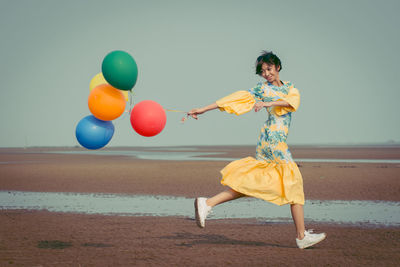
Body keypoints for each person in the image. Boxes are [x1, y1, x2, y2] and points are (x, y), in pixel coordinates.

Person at [188, 51, 326, 249]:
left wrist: (268, 103)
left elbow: (291, 102)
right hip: (272, 140)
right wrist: (203, 109)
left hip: (274, 139)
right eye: (262, 72)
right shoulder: (261, 90)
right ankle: (301, 236)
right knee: (294, 182)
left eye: (269, 69)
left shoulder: (290, 88)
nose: (266, 74)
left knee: (255, 182)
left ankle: (207, 203)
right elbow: (235, 99)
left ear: (278, 67)